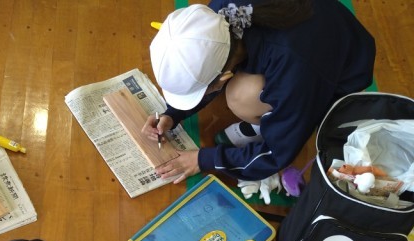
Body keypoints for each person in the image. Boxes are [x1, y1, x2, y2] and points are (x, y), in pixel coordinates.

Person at [143, 0, 375, 187]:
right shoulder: (211, 19)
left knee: (240, 98)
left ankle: (268, 122)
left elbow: (277, 153)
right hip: (313, 32)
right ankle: (269, 118)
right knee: (241, 93)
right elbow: (211, 67)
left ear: (224, 77)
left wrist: (203, 159)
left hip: (342, 73)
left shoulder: (294, 72)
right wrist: (173, 113)